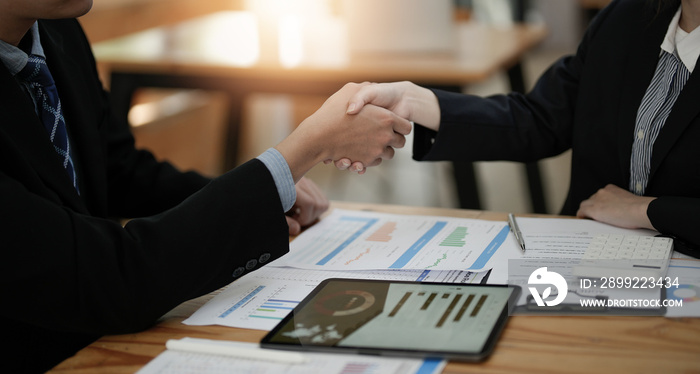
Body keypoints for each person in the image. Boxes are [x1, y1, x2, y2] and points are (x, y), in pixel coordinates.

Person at [0, 1, 411, 372]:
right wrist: (299, 154)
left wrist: (262, 195)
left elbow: (119, 170)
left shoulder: (57, 31)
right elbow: (107, 278)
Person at [337, 0, 700, 250]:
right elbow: (541, 118)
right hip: (587, 255)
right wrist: (412, 101)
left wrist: (647, 210)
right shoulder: (628, 18)